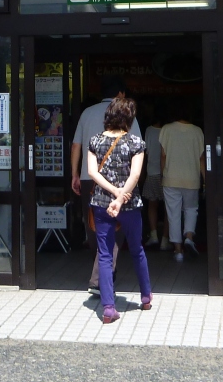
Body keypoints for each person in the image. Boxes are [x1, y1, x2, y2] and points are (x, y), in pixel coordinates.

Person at [70, 76, 140, 293]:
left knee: (93, 227)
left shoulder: (87, 113)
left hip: (88, 177)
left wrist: (74, 174)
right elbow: (137, 149)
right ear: (120, 94)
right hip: (118, 181)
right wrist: (133, 181)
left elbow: (76, 146)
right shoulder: (127, 114)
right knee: (115, 229)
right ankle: (100, 278)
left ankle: (103, 271)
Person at [87, 95, 152, 323]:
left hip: (101, 203)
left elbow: (92, 173)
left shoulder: (95, 141)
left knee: (105, 254)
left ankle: (108, 308)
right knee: (137, 249)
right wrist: (121, 196)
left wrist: (114, 193)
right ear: (129, 119)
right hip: (130, 204)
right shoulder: (136, 143)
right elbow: (136, 175)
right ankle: (145, 297)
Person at [159, 106, 205, 263]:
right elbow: (201, 158)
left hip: (171, 178)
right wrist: (205, 179)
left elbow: (163, 155)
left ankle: (178, 251)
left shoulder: (166, 129)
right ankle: (189, 237)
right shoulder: (197, 131)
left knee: (173, 214)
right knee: (191, 209)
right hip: (192, 178)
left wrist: (163, 174)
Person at [139, 104, 164, 249]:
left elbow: (145, 152)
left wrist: (142, 172)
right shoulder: (168, 130)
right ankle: (166, 239)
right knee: (169, 208)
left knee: (152, 205)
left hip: (152, 172)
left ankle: (154, 235)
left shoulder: (149, 130)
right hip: (167, 174)